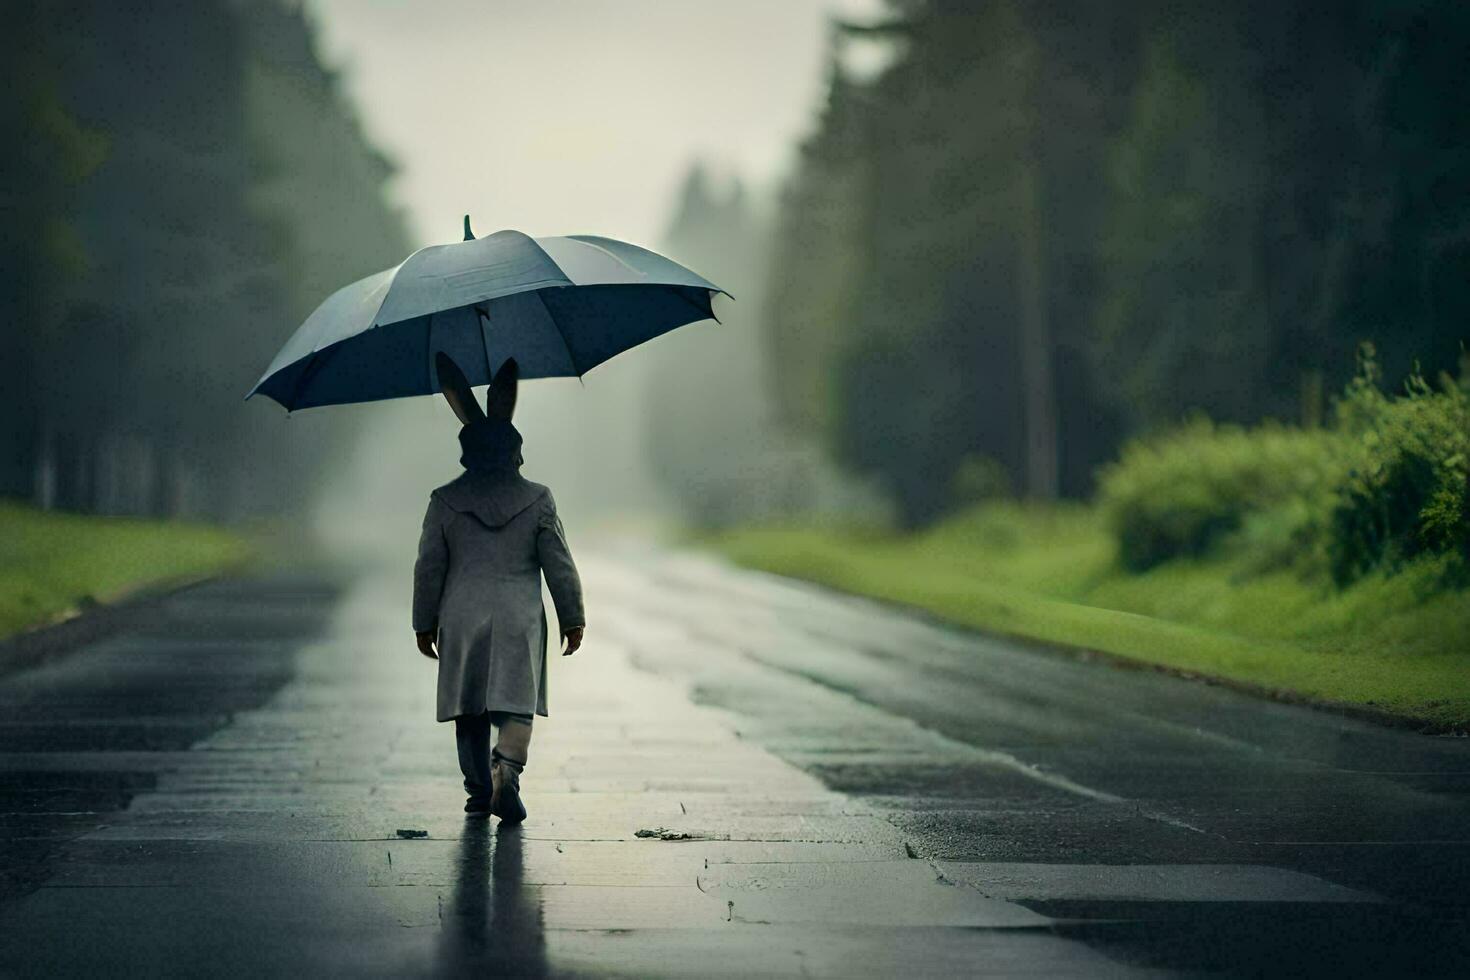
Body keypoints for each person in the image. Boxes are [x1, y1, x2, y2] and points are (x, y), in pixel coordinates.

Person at [412, 352, 585, 822]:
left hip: (462, 615)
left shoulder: (444, 501)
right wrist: (573, 616)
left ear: (467, 453)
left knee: (468, 711)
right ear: (515, 452)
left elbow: (429, 566)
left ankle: (476, 790)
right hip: (518, 617)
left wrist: (423, 622)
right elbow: (559, 563)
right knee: (517, 705)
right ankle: (507, 766)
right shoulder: (537, 500)